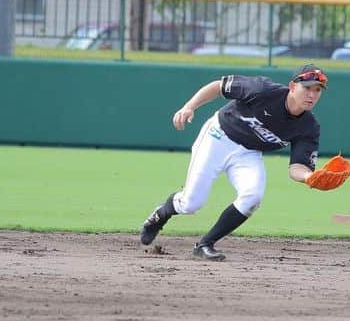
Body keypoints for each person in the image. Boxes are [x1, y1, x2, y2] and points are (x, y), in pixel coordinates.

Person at [139, 64, 328, 261]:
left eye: (317, 90)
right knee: (191, 204)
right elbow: (218, 86)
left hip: (249, 153)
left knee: (252, 197)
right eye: (307, 88)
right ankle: (161, 214)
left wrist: (309, 177)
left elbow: (297, 167)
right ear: (292, 86)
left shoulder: (309, 127)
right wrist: (189, 107)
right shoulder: (262, 90)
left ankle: (205, 244)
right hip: (218, 137)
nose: (312, 95)